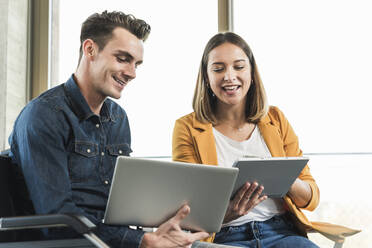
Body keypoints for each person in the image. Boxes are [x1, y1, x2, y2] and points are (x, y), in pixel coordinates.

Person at [8, 10, 210, 248]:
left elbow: (122, 204)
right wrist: (142, 241)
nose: (132, 73)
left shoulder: (117, 118)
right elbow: (58, 220)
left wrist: (161, 227)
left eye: (137, 64)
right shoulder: (43, 116)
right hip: (72, 243)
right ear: (90, 49)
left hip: (118, 241)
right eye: (123, 59)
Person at [172, 32, 356, 247]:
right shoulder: (187, 128)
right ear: (206, 76)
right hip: (224, 238)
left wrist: (283, 177)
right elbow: (189, 212)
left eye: (239, 67)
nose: (229, 76)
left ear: (251, 72)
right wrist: (228, 213)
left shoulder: (276, 119)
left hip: (281, 232)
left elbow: (311, 198)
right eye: (218, 69)